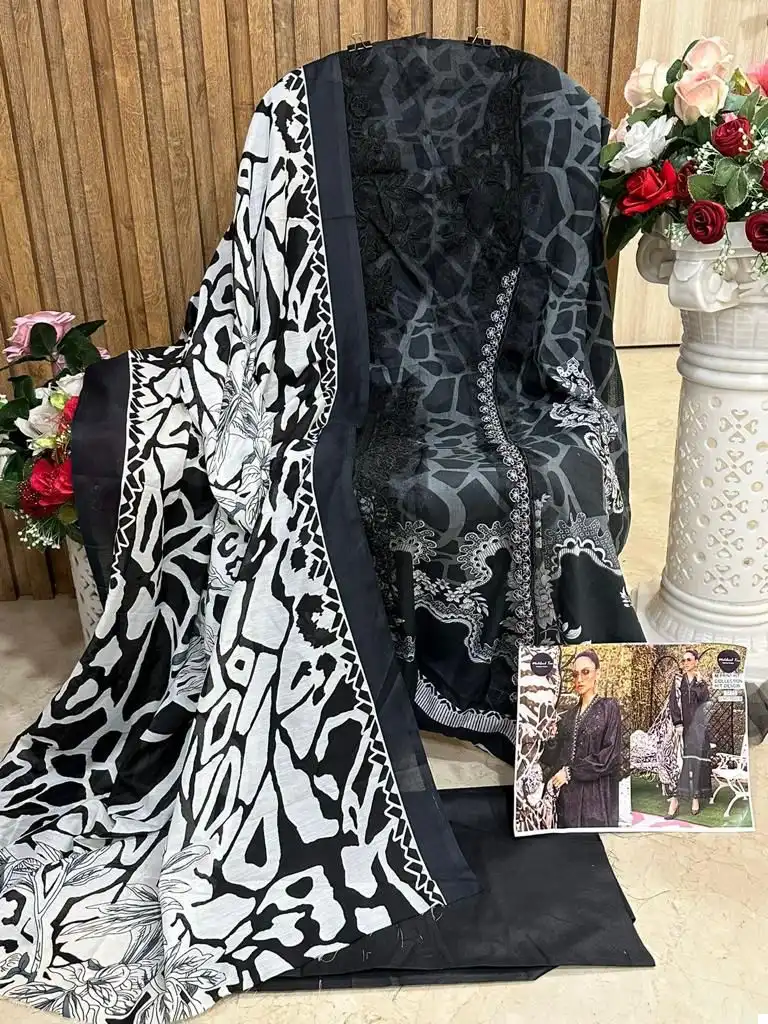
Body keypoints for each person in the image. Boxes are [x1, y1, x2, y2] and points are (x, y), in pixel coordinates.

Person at [542, 650, 623, 828]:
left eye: (585, 672)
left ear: (597, 674)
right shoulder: (567, 716)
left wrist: (571, 772)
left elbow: (610, 756)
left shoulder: (609, 708)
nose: (579, 679)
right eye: (575, 674)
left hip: (595, 798)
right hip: (567, 799)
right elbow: (553, 758)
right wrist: (551, 737)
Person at [666, 650, 712, 818]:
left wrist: (699, 683)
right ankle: (675, 801)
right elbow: (673, 703)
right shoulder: (678, 681)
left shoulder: (701, 682)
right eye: (683, 660)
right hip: (682, 729)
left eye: (688, 659)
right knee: (681, 764)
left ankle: (695, 798)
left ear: (696, 661)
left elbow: (705, 702)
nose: (685, 663)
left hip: (698, 730)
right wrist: (677, 723)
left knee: (696, 763)